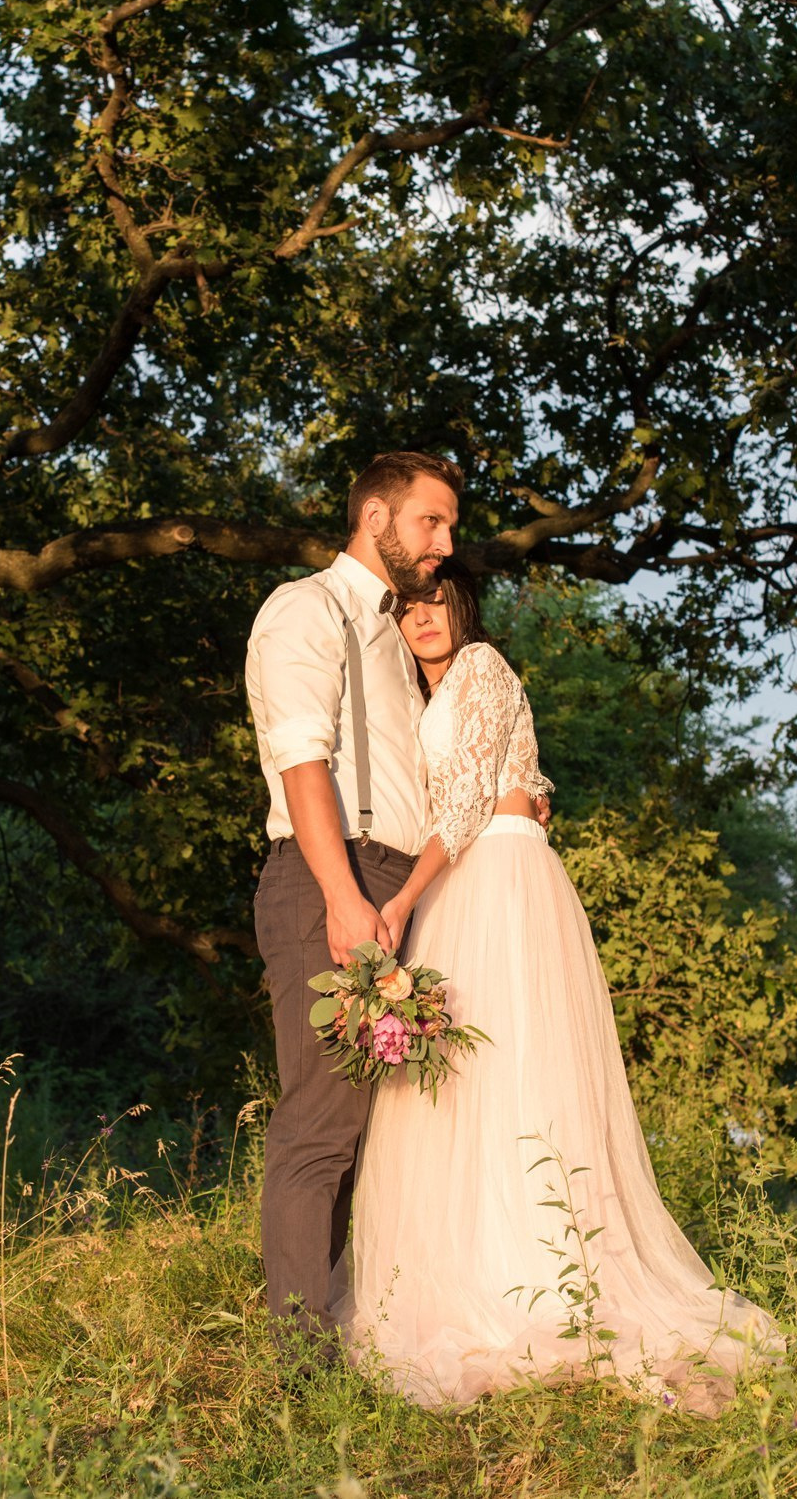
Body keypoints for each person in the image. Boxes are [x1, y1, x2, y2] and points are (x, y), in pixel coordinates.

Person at [345, 560, 784, 1413]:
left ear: (462, 607)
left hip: (495, 874)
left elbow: (470, 801)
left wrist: (397, 900)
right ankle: (483, 1268)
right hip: (467, 880)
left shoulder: (480, 666)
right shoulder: (420, 695)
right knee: (467, 1091)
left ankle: (542, 1283)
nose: (424, 617)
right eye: (409, 606)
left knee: (517, 1080)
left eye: (438, 601)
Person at [243, 450, 461, 1345]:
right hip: (330, 874)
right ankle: (297, 1360)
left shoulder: (396, 641)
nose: (445, 544)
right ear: (375, 518)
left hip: (393, 886)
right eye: (431, 523)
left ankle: (341, 1330)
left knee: (373, 1135)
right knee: (323, 1125)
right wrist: (341, 894)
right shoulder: (310, 608)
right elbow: (303, 759)